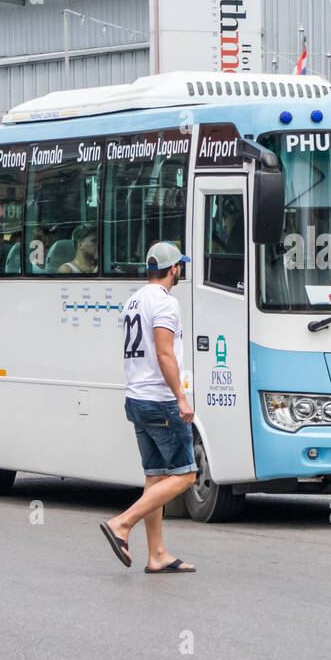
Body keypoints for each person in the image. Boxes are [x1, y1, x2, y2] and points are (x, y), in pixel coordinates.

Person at [100, 242, 198, 574]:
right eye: (179, 266)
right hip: (160, 401)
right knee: (186, 475)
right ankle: (122, 524)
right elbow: (164, 353)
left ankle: (156, 554)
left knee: (155, 476)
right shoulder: (165, 303)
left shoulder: (134, 299)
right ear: (173, 270)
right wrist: (181, 397)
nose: (180, 270)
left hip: (137, 398)